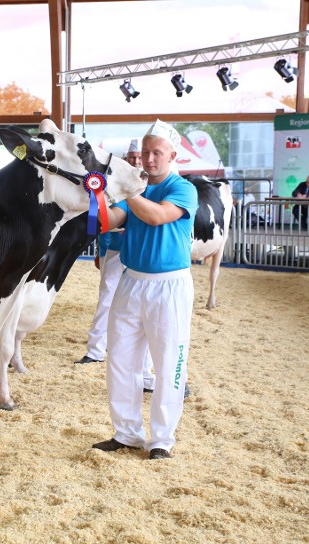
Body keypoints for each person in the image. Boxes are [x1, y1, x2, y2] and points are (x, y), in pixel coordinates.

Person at [92, 119, 198, 460]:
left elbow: (156, 217)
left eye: (156, 153)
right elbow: (109, 221)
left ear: (172, 155)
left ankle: (162, 439)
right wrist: (95, 194)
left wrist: (127, 190)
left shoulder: (182, 189)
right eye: (145, 153)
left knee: (170, 361)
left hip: (169, 286)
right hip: (131, 279)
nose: (149, 160)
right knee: (120, 359)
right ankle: (126, 433)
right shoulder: (134, 189)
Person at [75, 228, 157, 392]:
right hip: (114, 248)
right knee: (107, 299)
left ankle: (144, 373)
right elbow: (103, 221)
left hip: (140, 251)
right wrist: (100, 250)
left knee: (139, 308)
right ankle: (96, 351)